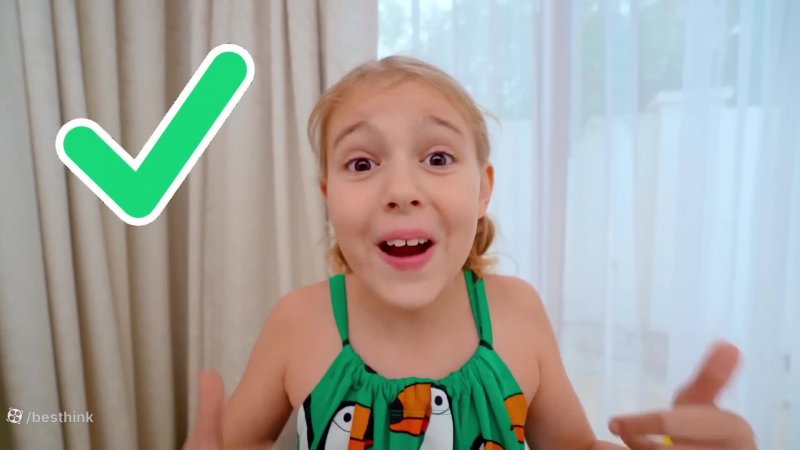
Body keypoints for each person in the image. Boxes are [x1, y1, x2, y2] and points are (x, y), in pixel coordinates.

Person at [183, 56, 756, 450]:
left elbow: (575, 447)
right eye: (362, 163)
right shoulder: (298, 322)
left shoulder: (517, 313)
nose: (401, 190)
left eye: (437, 158)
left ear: (483, 190)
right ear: (329, 197)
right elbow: (239, 441)